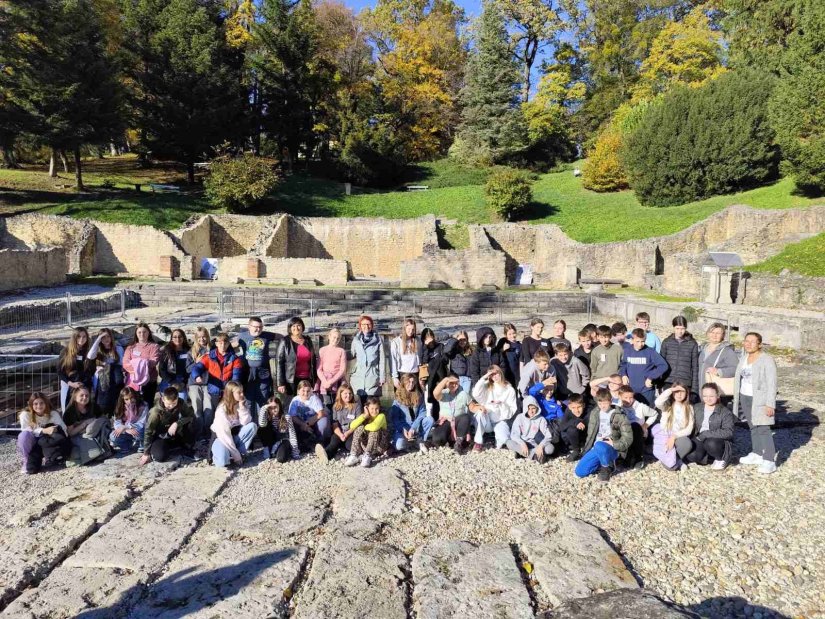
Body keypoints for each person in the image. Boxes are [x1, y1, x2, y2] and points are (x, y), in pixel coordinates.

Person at [734, 332, 778, 474]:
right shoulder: (743, 358)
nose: (748, 344)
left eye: (753, 342)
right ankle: (757, 453)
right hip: (745, 396)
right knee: (752, 426)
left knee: (763, 428)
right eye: (746, 341)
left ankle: (769, 460)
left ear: (759, 344)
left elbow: (772, 383)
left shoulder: (767, 360)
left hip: (760, 399)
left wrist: (770, 404)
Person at [574, 389, 633, 483]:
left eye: (605, 403)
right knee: (579, 472)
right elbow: (590, 435)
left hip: (612, 447)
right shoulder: (595, 413)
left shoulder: (619, 415)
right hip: (597, 447)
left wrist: (614, 443)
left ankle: (608, 466)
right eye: (600, 403)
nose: (602, 406)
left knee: (600, 445)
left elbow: (628, 438)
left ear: (610, 401)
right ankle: (603, 462)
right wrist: (586, 450)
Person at [684, 383, 736, 470]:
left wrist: (706, 434)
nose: (708, 399)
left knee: (711, 443)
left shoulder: (725, 412)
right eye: (705, 396)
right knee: (692, 457)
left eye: (711, 396)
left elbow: (729, 432)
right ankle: (708, 456)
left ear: (718, 395)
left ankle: (721, 458)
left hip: (716, 440)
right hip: (700, 437)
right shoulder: (697, 407)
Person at [190, 333, 243, 418]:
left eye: (225, 343)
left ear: (229, 344)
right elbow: (197, 367)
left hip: (228, 392)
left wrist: (232, 390)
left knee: (227, 415)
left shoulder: (235, 359)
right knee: (212, 415)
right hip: (213, 391)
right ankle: (210, 431)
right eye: (220, 343)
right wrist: (197, 376)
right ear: (216, 344)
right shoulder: (209, 357)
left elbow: (236, 376)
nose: (223, 345)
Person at [140, 387, 198, 464]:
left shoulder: (181, 402)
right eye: (168, 404)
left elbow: (190, 416)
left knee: (191, 423)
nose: (171, 406)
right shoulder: (155, 412)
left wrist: (177, 423)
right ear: (163, 399)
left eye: (174, 403)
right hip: (160, 436)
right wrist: (146, 453)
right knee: (160, 457)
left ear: (177, 398)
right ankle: (167, 447)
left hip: (174, 431)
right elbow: (148, 431)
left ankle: (188, 446)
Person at [18, 392, 71, 474]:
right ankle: (26, 459)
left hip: (46, 442)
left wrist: (56, 429)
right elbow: (25, 431)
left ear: (46, 403)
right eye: (35, 404)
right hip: (33, 441)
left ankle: (51, 457)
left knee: (58, 438)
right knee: (23, 436)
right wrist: (43, 430)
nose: (39, 406)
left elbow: (64, 429)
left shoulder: (53, 414)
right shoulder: (25, 415)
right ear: (31, 404)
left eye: (41, 403)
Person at [210, 381, 257, 468]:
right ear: (231, 394)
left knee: (252, 426)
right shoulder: (221, 410)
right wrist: (236, 455)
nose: (242, 394)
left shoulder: (241, 402)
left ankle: (240, 452)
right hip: (222, 439)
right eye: (239, 392)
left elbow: (245, 422)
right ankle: (219, 454)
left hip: (234, 436)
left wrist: (242, 408)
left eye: (242, 391)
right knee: (222, 462)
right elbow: (225, 435)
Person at [471, 365, 518, 451]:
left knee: (503, 442)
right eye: (492, 375)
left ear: (500, 373)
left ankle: (496, 438)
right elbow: (475, 394)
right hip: (487, 421)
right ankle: (478, 442)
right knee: (479, 413)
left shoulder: (509, 389)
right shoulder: (487, 386)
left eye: (496, 374)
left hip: (500, 421)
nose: (495, 377)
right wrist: (484, 377)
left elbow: (512, 410)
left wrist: (502, 404)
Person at [63, 385, 112, 466]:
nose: (84, 397)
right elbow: (70, 433)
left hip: (94, 431)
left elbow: (103, 418)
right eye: (81, 395)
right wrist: (85, 423)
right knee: (85, 438)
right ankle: (95, 454)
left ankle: (101, 451)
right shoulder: (69, 412)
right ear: (75, 397)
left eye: (87, 395)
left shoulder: (93, 406)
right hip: (77, 435)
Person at [652, 382, 695, 471]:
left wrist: (674, 437)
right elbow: (657, 402)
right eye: (676, 391)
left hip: (678, 436)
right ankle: (674, 461)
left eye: (682, 392)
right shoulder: (667, 406)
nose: (679, 394)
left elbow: (689, 429)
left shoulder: (689, 408)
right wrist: (670, 390)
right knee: (671, 466)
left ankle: (677, 460)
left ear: (686, 393)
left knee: (687, 444)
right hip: (665, 435)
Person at [238, 316, 279, 407]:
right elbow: (232, 345)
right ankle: (249, 421)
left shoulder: (266, 335)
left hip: (263, 371)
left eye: (260, 327)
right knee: (248, 398)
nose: (258, 329)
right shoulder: (242, 336)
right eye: (255, 327)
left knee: (263, 398)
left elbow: (281, 337)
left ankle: (262, 420)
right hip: (248, 372)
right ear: (249, 326)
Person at [620, 328, 668, 406]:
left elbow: (663, 365)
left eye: (642, 341)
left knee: (647, 413)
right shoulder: (627, 351)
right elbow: (623, 364)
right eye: (637, 341)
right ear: (632, 340)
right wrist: (624, 375)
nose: (640, 344)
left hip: (646, 390)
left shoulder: (650, 351)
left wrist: (651, 377)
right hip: (630, 390)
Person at [316, 383, 362, 462]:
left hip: (351, 432)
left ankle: (348, 448)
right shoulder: (336, 406)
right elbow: (335, 424)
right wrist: (340, 435)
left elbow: (358, 423)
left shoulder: (356, 406)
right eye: (345, 393)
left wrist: (347, 433)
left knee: (349, 446)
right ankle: (326, 454)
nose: (348, 395)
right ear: (340, 394)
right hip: (339, 432)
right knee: (334, 441)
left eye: (350, 393)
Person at [388, 373, 433, 453]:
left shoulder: (419, 395)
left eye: (413, 382)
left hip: (416, 425)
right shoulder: (397, 398)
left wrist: (413, 427)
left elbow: (422, 412)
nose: (411, 384)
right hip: (403, 427)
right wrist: (403, 429)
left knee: (429, 420)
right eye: (408, 382)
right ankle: (409, 443)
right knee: (399, 446)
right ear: (404, 383)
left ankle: (420, 440)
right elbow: (395, 418)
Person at [616, 385, 658, 469]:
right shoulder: (617, 407)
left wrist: (645, 425)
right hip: (624, 434)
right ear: (619, 396)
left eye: (631, 397)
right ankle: (624, 458)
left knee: (634, 426)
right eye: (625, 397)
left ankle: (638, 458)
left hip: (638, 433)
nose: (628, 400)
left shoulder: (641, 407)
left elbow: (654, 414)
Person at [286, 380, 329, 458]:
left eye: (308, 391)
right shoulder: (295, 400)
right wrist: (303, 425)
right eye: (303, 391)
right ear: (298, 391)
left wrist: (307, 424)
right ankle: (299, 444)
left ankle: (320, 442)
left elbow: (320, 413)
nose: (306, 393)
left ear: (311, 391)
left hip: (313, 422)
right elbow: (292, 416)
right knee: (290, 422)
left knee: (323, 421)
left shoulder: (314, 398)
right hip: (300, 423)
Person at [275, 317, 316, 398]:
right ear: (290, 328)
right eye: (293, 326)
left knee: (306, 403)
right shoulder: (285, 341)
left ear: (302, 327)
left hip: (307, 378)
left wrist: (315, 379)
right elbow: (279, 362)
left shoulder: (308, 340)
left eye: (298, 325)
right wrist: (280, 383)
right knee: (292, 404)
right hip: (291, 380)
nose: (296, 328)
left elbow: (313, 360)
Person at [506, 396, 555, 463]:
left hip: (534, 444)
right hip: (522, 442)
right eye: (528, 408)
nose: (531, 411)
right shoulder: (519, 417)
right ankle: (533, 455)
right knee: (509, 443)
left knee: (550, 448)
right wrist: (522, 444)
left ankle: (524, 454)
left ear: (537, 408)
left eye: (533, 408)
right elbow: (514, 434)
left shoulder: (541, 419)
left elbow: (548, 435)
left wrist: (541, 446)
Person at [660, 316, 700, 399]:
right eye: (677, 328)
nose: (680, 331)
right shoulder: (666, 342)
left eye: (682, 328)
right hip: (668, 382)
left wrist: (694, 390)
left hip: (685, 383)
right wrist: (659, 383)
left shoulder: (692, 344)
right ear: (673, 327)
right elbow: (661, 364)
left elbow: (695, 367)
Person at [344, 396, 389, 468]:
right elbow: (352, 425)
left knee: (374, 431)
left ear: (379, 408)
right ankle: (354, 454)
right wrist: (364, 416)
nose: (374, 411)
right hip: (366, 445)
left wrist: (365, 427)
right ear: (367, 408)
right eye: (372, 409)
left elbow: (374, 427)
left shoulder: (381, 416)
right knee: (359, 427)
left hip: (379, 446)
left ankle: (367, 456)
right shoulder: (364, 416)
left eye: (376, 408)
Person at [122, 322, 161, 406]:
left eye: (144, 332)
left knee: (147, 404)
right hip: (133, 382)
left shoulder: (154, 346)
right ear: (136, 333)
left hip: (149, 381)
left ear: (148, 333)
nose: (142, 334)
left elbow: (153, 362)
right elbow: (125, 363)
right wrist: (139, 367)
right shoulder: (130, 347)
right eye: (139, 332)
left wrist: (136, 362)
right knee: (134, 404)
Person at [87, 328, 124, 415]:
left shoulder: (118, 348)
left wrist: (107, 366)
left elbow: (121, 364)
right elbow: (90, 356)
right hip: (102, 380)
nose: (106, 339)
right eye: (103, 337)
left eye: (108, 336)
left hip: (115, 379)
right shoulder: (98, 350)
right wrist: (98, 340)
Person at [431, 376, 472, 452]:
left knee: (465, 417)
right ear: (446, 384)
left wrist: (479, 408)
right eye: (451, 383)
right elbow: (435, 393)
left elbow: (472, 406)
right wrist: (446, 379)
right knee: (437, 440)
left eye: (455, 383)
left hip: (459, 422)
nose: (453, 385)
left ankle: (459, 442)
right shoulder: (443, 393)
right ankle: (449, 440)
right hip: (445, 421)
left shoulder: (463, 394)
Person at [349, 315, 385, 403]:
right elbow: (351, 354)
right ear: (360, 326)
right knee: (358, 405)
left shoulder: (378, 340)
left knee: (372, 404)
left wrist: (382, 377)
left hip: (372, 376)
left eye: (368, 324)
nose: (366, 327)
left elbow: (382, 359)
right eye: (363, 324)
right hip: (358, 376)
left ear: (372, 325)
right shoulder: (356, 340)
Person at [58, 327, 94, 412]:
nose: (81, 339)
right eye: (79, 336)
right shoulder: (65, 352)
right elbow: (59, 371)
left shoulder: (89, 351)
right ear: (74, 337)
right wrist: (70, 383)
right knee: (67, 409)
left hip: (84, 382)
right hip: (69, 382)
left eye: (84, 336)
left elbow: (91, 369)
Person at [186, 327, 214, 438]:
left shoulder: (213, 350)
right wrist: (196, 363)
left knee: (209, 408)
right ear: (196, 338)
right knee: (197, 408)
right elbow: (188, 369)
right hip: (194, 384)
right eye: (199, 337)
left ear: (207, 336)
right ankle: (199, 433)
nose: (202, 339)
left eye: (204, 336)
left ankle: (208, 432)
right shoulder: (191, 351)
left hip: (209, 382)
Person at [698, 323, 739, 397]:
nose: (714, 335)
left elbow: (736, 368)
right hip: (701, 390)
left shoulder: (727, 351)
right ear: (707, 334)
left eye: (718, 333)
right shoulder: (702, 349)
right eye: (712, 332)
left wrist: (719, 371)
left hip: (717, 392)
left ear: (723, 335)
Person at [110, 387, 148, 454]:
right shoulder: (120, 407)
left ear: (135, 396)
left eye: (131, 398)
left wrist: (127, 427)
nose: (130, 401)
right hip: (126, 431)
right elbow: (117, 423)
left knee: (139, 431)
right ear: (122, 399)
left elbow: (142, 422)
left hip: (138, 429)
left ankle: (141, 445)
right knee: (112, 436)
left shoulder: (143, 405)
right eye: (126, 399)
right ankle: (126, 446)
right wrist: (126, 429)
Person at [317, 327, 348, 406]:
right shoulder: (322, 350)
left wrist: (331, 382)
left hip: (337, 381)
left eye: (338, 338)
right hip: (324, 382)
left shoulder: (341, 351)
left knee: (338, 404)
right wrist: (324, 381)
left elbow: (342, 370)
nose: (336, 340)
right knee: (326, 405)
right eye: (334, 337)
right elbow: (319, 369)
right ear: (329, 336)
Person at [590, 325, 625, 394]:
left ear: (610, 336)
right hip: (600, 383)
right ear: (597, 337)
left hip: (615, 384)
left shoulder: (618, 349)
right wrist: (592, 384)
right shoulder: (595, 351)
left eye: (606, 337)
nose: (604, 340)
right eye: (601, 337)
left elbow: (623, 365)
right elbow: (593, 368)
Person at [158, 329, 190, 399]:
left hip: (182, 380)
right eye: (175, 337)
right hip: (168, 380)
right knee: (167, 400)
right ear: (171, 338)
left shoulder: (188, 351)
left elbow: (190, 368)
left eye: (180, 336)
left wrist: (184, 382)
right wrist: (172, 382)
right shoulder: (166, 350)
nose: (177, 339)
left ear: (183, 338)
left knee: (182, 398)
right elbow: (162, 370)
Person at [258, 396, 291, 463]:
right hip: (271, 440)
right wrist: (264, 407)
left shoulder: (286, 416)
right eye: (270, 408)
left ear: (279, 406)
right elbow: (261, 424)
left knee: (281, 459)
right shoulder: (267, 416)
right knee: (262, 428)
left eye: (275, 407)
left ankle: (277, 451)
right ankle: (267, 449)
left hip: (282, 440)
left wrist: (295, 452)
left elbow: (292, 433)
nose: (273, 410)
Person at [390, 318, 420, 389]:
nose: (411, 332)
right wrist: (395, 377)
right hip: (402, 373)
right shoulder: (396, 342)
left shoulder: (417, 341)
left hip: (415, 373)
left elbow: (419, 358)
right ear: (404, 328)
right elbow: (393, 360)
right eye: (409, 329)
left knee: (414, 398)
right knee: (402, 398)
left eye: (413, 329)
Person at [559, 394, 588, 461]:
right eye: (573, 407)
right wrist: (575, 422)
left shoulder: (588, 412)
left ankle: (585, 447)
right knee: (571, 429)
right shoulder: (568, 411)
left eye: (579, 407)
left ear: (583, 405)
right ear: (569, 407)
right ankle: (576, 450)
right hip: (575, 436)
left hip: (586, 434)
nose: (576, 410)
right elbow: (561, 427)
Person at [496, 323, 522, 388]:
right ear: (506, 335)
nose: (512, 336)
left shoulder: (519, 345)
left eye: (513, 333)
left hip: (516, 374)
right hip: (506, 373)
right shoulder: (502, 342)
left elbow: (521, 361)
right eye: (509, 334)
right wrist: (503, 349)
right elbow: (496, 355)